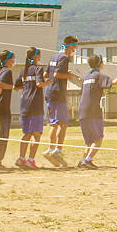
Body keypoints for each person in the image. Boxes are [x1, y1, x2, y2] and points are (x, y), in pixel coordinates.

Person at [75, 54, 117, 169]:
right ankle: (87, 160)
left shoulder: (87, 76)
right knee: (98, 138)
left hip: (82, 111)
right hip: (93, 111)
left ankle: (83, 160)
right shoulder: (99, 76)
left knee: (89, 141)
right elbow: (113, 83)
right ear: (100, 64)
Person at [43, 37, 78, 167]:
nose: (75, 50)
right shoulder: (64, 58)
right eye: (75, 47)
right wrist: (68, 75)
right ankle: (58, 151)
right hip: (58, 93)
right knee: (63, 123)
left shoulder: (54, 57)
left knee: (54, 124)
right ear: (70, 46)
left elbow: (46, 75)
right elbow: (57, 75)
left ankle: (50, 149)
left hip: (50, 92)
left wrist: (63, 73)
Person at [15, 47, 46, 169]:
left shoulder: (24, 70)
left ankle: (21, 158)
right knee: (36, 134)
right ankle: (31, 160)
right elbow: (39, 84)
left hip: (24, 105)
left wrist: (28, 86)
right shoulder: (38, 68)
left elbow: (17, 86)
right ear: (36, 56)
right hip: (35, 105)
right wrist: (50, 82)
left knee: (27, 133)